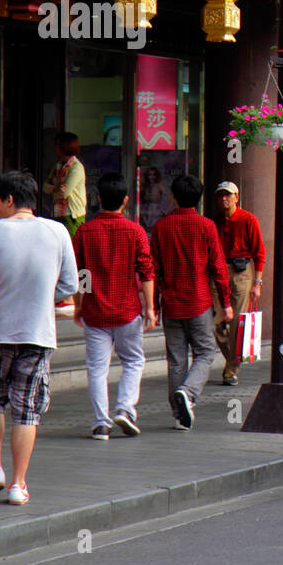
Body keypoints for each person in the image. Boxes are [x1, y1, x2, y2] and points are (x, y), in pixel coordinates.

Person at [0, 171, 78, 505]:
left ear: (9, 199)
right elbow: (70, 286)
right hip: (38, 334)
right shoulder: (58, 231)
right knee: (27, 410)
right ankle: (18, 483)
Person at [72, 172, 157, 440]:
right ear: (126, 200)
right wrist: (151, 307)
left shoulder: (85, 231)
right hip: (127, 310)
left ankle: (101, 423)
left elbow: (81, 273)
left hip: (95, 311)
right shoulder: (136, 231)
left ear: (98, 199)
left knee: (97, 368)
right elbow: (146, 271)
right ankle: (125, 408)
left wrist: (80, 303)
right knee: (133, 361)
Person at [150, 174, 233, 431]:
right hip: (199, 302)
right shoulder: (207, 226)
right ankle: (188, 393)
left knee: (176, 360)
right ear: (199, 198)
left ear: (173, 197)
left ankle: (179, 415)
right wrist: (226, 302)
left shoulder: (161, 227)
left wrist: (152, 305)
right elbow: (219, 268)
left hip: (171, 303)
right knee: (206, 352)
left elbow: (154, 269)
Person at [212, 182, 265, 386]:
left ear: (237, 197)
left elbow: (259, 252)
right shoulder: (215, 221)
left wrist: (257, 282)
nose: (224, 199)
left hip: (242, 271)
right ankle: (231, 359)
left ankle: (232, 369)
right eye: (221, 195)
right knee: (215, 321)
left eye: (228, 195)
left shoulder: (248, 219)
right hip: (218, 271)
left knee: (237, 323)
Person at [44, 132, 86, 237]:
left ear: (65, 146)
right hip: (57, 213)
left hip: (72, 216)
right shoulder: (58, 166)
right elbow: (45, 187)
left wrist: (54, 189)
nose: (55, 147)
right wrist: (56, 188)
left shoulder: (76, 167)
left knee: (71, 247)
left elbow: (65, 192)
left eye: (57, 144)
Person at [139, 167, 175, 234]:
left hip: (155, 212)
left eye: (154, 174)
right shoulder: (144, 186)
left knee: (154, 231)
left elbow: (171, 199)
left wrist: (166, 211)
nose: (152, 177)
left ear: (157, 176)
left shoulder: (159, 186)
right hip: (144, 211)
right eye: (150, 174)